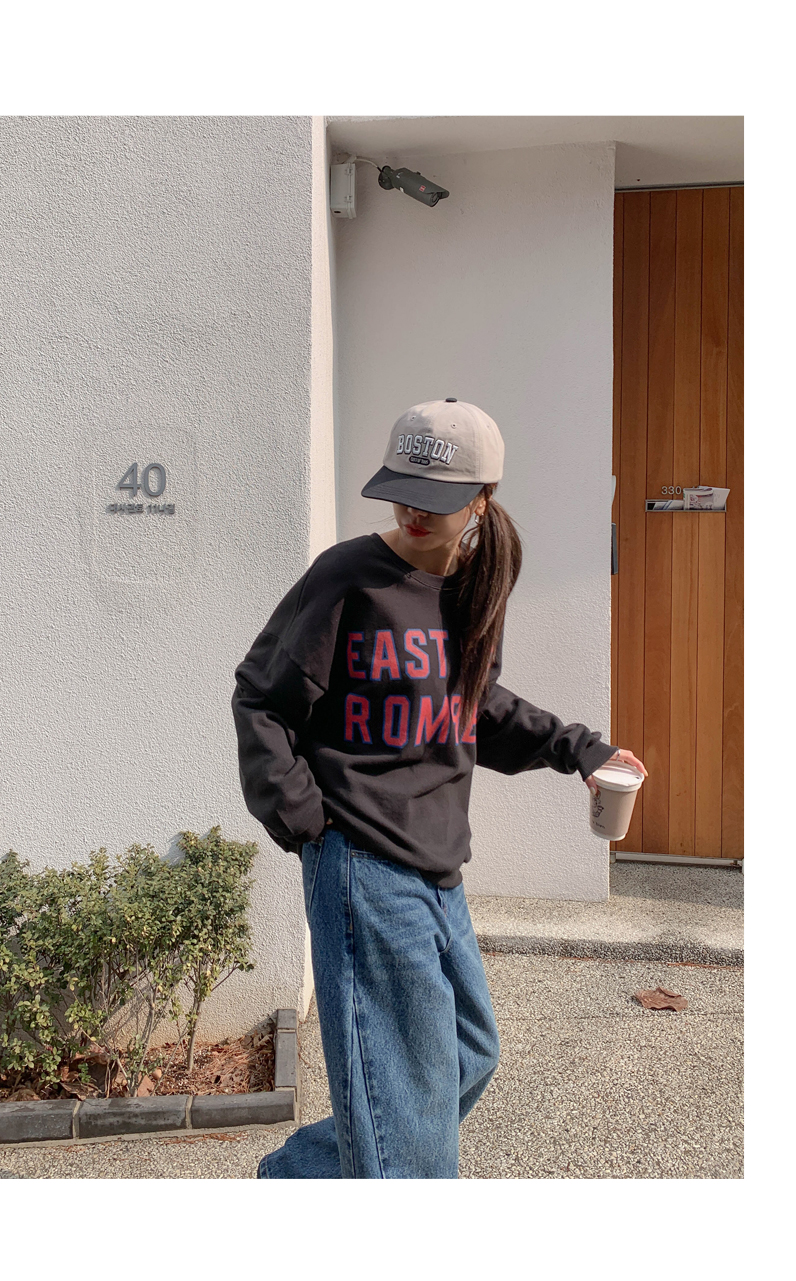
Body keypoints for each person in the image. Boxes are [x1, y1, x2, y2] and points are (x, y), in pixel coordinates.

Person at [231, 398, 647, 1179]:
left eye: (435, 498)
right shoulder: (347, 577)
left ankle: (296, 1178)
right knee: (409, 1117)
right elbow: (261, 695)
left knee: (464, 1056)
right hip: (361, 861)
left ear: (482, 499)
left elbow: (473, 704)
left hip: (436, 861)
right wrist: (304, 819)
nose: (413, 511)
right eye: (402, 490)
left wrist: (579, 748)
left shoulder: (475, 586)